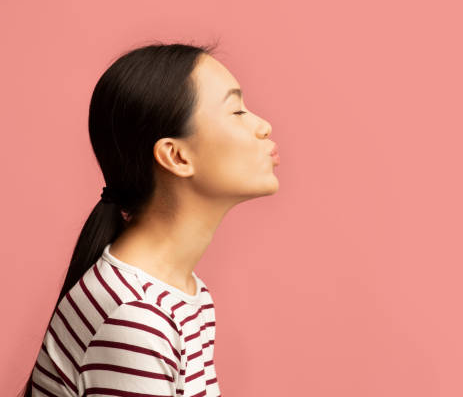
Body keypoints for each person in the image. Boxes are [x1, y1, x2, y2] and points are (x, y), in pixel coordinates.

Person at [18, 40, 280, 397]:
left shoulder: (186, 296)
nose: (263, 126)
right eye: (237, 112)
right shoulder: (136, 316)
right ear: (176, 155)